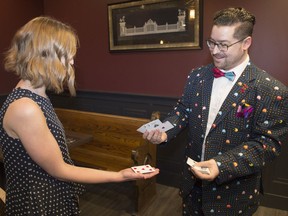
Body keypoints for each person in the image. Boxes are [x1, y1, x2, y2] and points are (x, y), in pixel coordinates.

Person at [0, 16, 159, 215]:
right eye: (67, 54)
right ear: (45, 55)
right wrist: (119, 176)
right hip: (38, 204)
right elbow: (59, 169)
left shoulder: (36, 97)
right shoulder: (25, 107)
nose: (72, 61)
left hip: (50, 194)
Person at [143, 7, 288, 215]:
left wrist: (221, 165)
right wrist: (165, 131)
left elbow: (268, 144)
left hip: (233, 193)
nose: (214, 50)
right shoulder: (197, 76)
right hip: (190, 185)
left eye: (224, 45)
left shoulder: (270, 90)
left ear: (246, 43)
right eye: (212, 42)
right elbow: (183, 111)